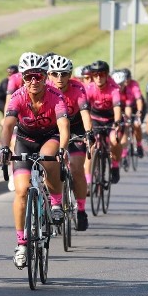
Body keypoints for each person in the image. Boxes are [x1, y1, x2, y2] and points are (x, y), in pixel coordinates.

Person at [0, 52, 70, 269]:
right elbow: (8, 124)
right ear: (22, 77)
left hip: (50, 137)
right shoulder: (18, 96)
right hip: (25, 140)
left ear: (45, 77)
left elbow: (64, 127)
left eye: (37, 76)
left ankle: (56, 201)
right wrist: (4, 147)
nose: (33, 81)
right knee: (21, 191)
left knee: (49, 159)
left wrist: (63, 149)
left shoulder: (55, 96)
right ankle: (21, 244)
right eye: (28, 76)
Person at [46, 53, 93, 231]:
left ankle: (81, 210)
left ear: (70, 74)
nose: (60, 78)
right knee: (47, 164)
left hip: (75, 129)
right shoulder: (46, 87)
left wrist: (88, 133)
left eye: (64, 74)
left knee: (76, 168)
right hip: (53, 129)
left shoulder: (78, 88)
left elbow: (85, 114)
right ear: (49, 74)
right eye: (55, 74)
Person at [85, 60, 123, 184]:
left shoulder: (114, 89)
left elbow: (117, 107)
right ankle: (88, 180)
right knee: (90, 146)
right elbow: (84, 109)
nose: (99, 77)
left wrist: (117, 123)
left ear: (107, 75)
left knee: (114, 140)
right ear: (92, 76)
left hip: (111, 119)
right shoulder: (89, 89)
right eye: (95, 75)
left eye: (101, 74)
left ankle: (115, 166)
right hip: (95, 119)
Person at [121, 68, 145, 156]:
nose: (126, 81)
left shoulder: (134, 84)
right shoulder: (119, 85)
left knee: (136, 125)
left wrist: (139, 111)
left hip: (136, 107)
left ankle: (139, 144)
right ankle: (124, 152)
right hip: (124, 107)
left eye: (128, 78)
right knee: (125, 126)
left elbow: (139, 99)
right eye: (125, 79)